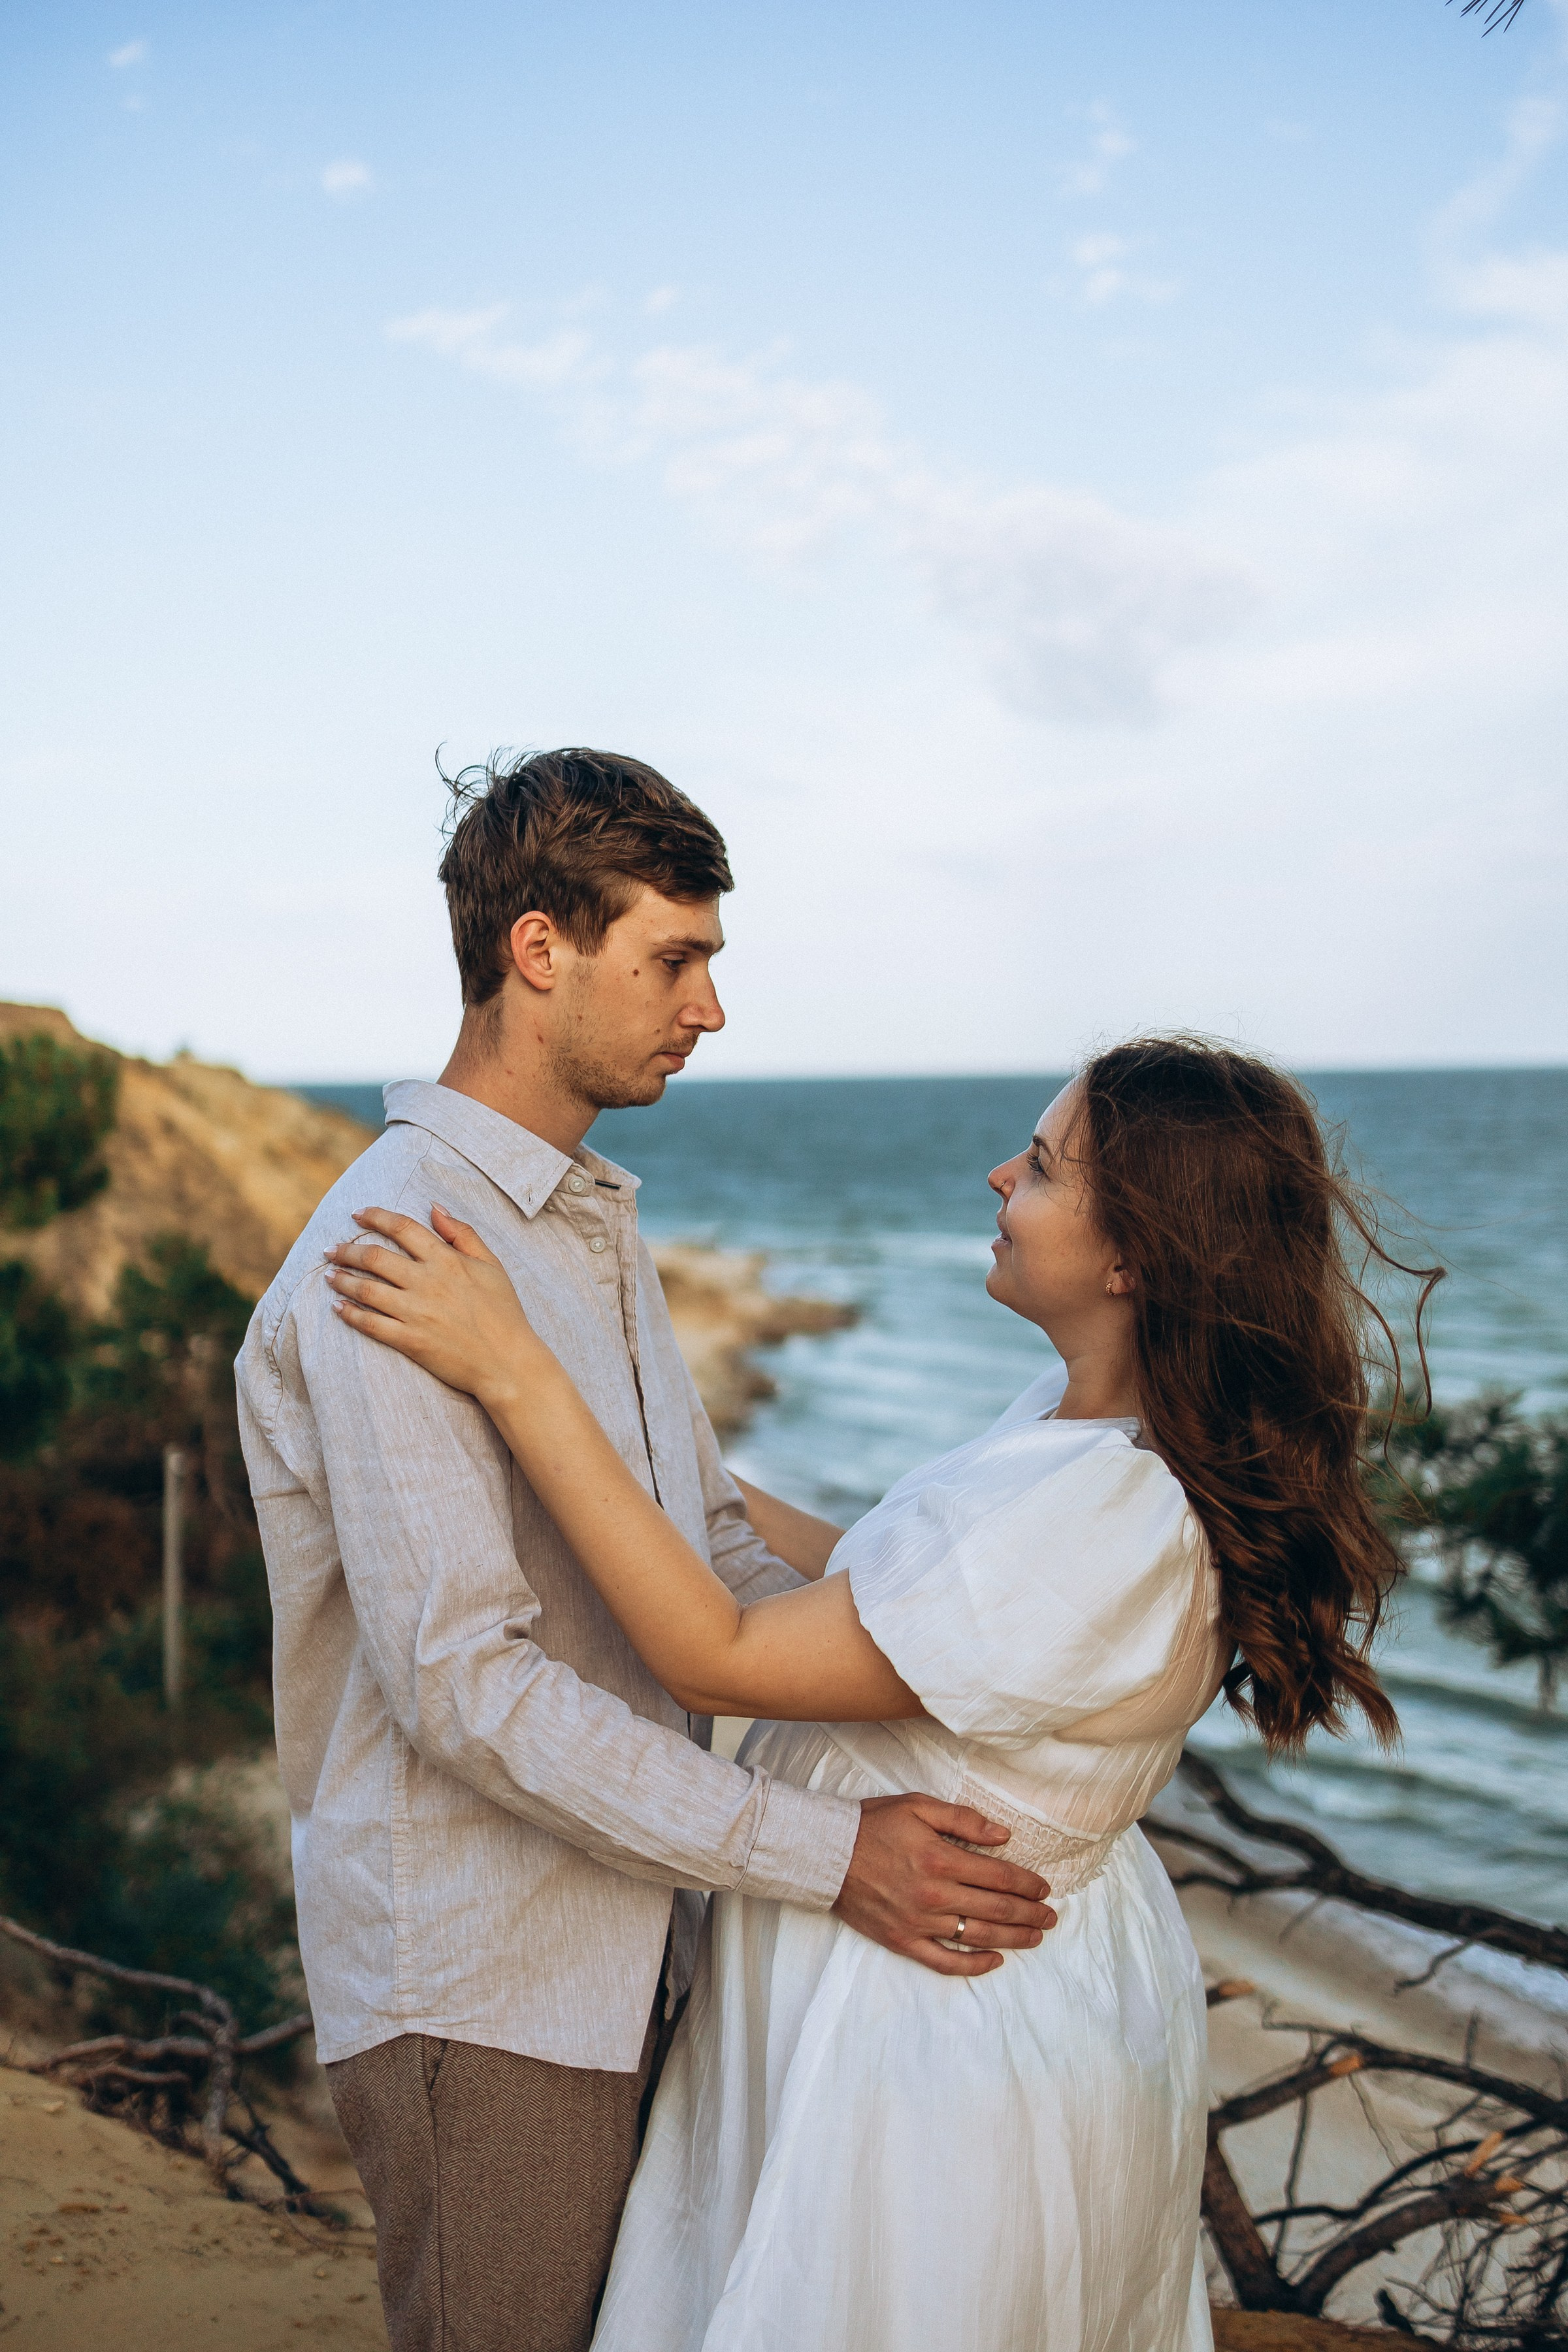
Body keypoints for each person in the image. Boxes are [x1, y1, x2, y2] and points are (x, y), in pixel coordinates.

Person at [323, 1035, 1421, 2352]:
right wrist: (640, 1455)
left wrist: (517, 1374)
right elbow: (884, 1586)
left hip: (929, 2033)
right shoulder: (1082, 1430)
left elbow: (720, 1655)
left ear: (1136, 1256)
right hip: (921, 1992)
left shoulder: (1110, 1514)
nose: (1000, 1174)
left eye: (1045, 1167)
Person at [235, 748, 1054, 2352]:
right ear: (538, 949)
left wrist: (971, 1657)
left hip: (645, 1947)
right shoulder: (393, 1248)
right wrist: (831, 1857)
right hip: (487, 1979)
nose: (710, 1009)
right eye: (675, 960)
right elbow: (465, 1690)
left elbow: (714, 1547)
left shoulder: (582, 1220)